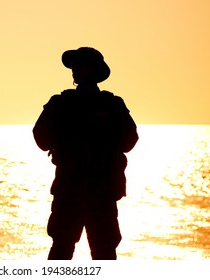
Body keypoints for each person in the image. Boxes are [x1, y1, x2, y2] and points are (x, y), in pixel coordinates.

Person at [33, 47, 139, 260]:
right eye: (74, 66)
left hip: (100, 192)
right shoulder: (61, 103)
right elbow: (41, 138)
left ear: (93, 70)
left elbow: (129, 140)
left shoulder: (112, 104)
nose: (74, 70)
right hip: (71, 190)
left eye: (80, 65)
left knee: (103, 251)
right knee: (63, 248)